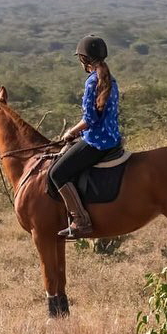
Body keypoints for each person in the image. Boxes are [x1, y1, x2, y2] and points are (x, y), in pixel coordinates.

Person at [48, 35, 122, 239]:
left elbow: (89, 119)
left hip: (97, 142)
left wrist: (71, 131)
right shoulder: (110, 79)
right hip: (113, 138)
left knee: (57, 173)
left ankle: (81, 221)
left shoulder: (92, 82)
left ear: (84, 59)